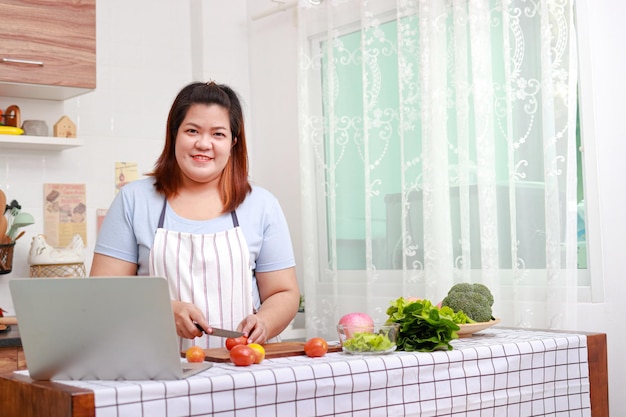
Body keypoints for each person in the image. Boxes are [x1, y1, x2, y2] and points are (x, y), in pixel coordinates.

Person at [90, 81, 300, 349]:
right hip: (157, 369)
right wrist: (165, 311)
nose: (204, 144)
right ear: (174, 134)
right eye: (192, 131)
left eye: (218, 134)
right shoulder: (134, 200)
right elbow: (103, 294)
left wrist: (266, 322)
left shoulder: (262, 205)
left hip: (243, 367)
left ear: (234, 142)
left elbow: (284, 292)